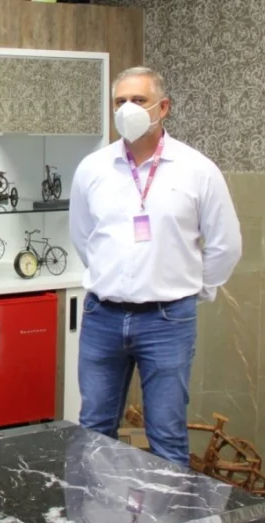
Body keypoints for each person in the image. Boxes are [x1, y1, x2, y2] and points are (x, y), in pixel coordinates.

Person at [69, 66, 242, 466]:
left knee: (166, 435)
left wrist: (193, 290)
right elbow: (83, 236)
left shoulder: (197, 169)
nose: (127, 109)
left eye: (139, 100)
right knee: (94, 428)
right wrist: (111, 277)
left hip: (167, 321)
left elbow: (225, 244)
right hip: (102, 316)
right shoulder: (93, 168)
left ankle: (170, 512)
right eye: (120, 101)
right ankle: (95, 509)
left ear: (163, 108)